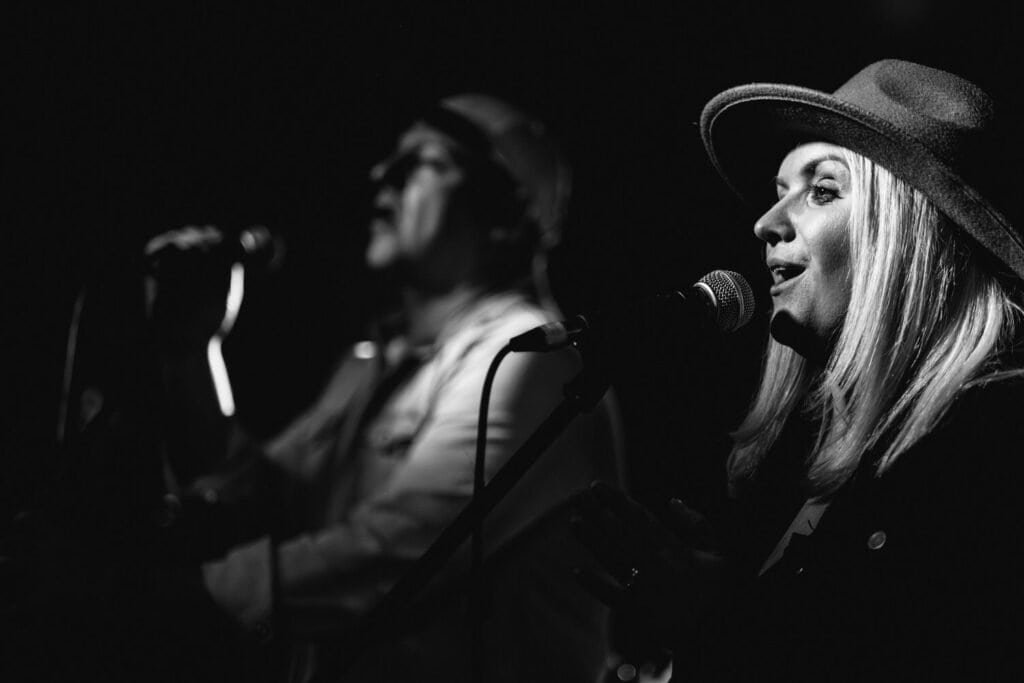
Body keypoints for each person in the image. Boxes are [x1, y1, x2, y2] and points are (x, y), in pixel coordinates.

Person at [572, 59, 1024, 681]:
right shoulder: (811, 459)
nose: (765, 224)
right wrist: (732, 593)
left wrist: (717, 622)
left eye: (824, 190)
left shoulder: (992, 444)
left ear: (908, 235)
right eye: (777, 191)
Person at [149, 94, 624, 682]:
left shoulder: (531, 364)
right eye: (387, 163)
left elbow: (392, 552)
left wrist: (160, 598)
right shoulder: (373, 364)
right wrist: (197, 350)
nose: (381, 177)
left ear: (503, 217)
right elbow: (258, 493)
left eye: (420, 163)